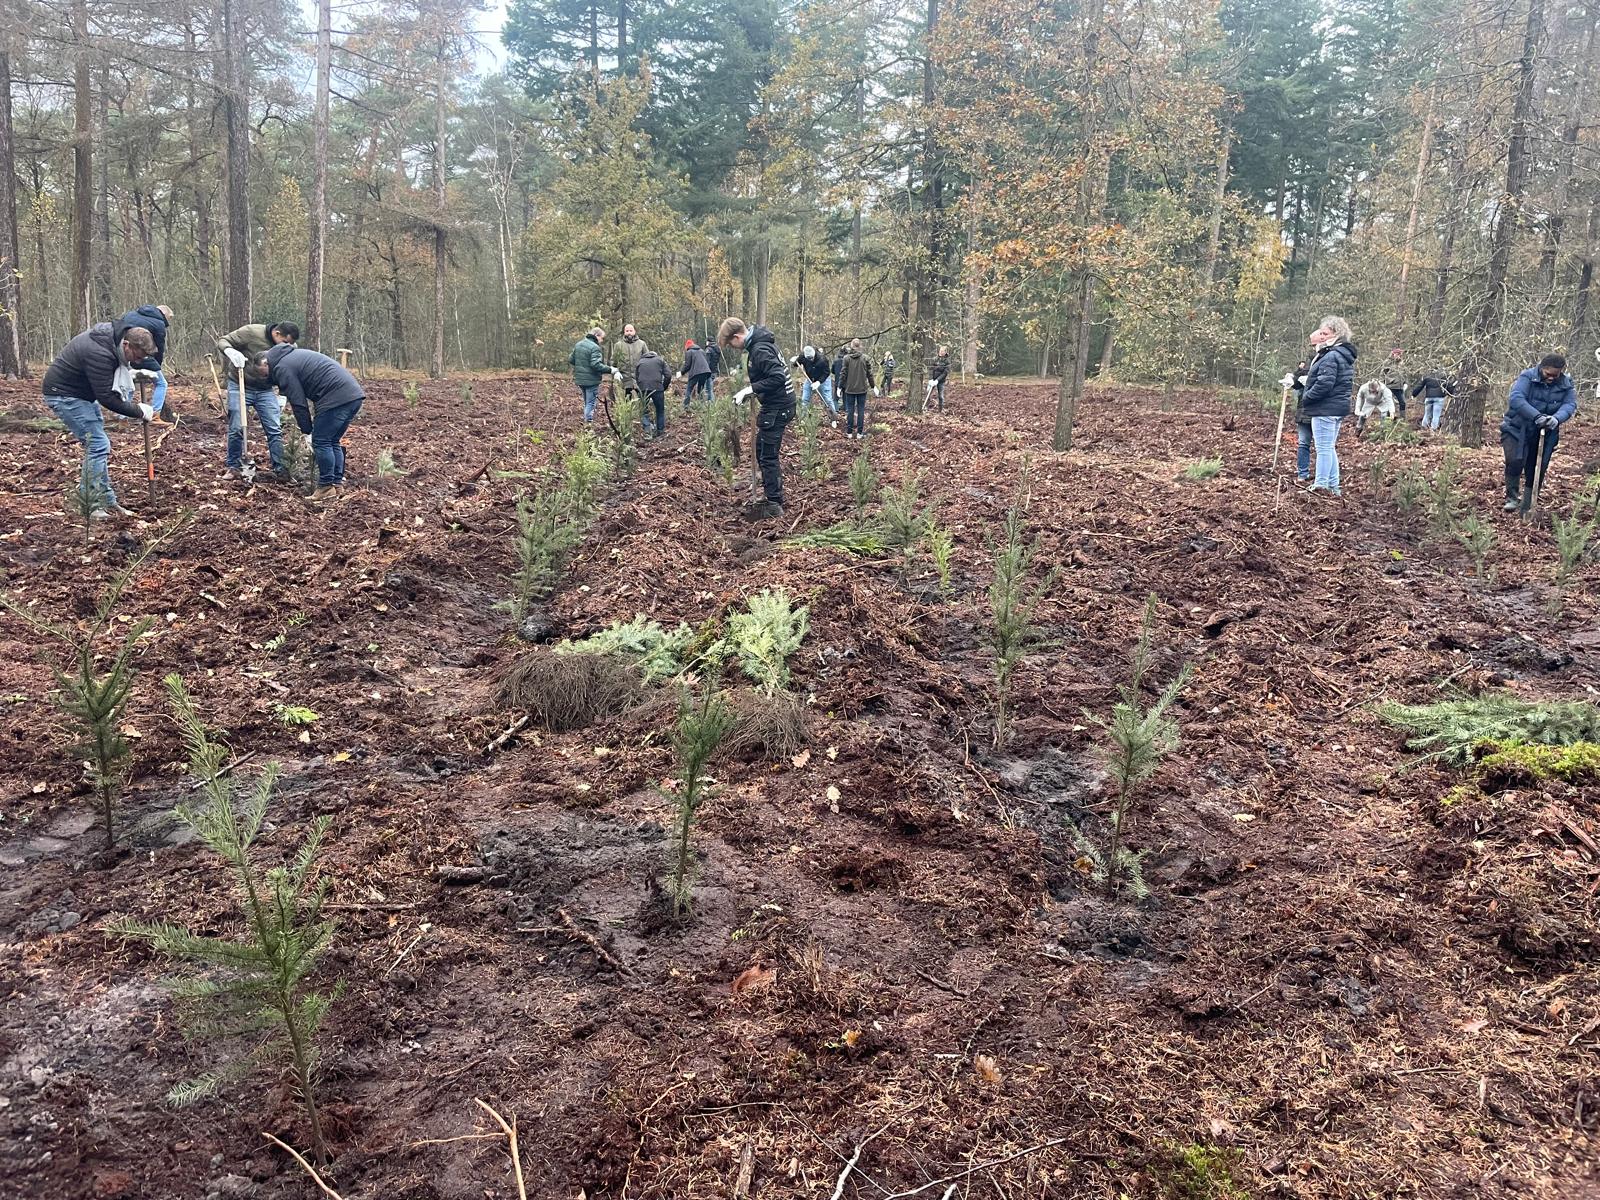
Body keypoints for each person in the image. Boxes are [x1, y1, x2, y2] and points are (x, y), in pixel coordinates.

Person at [40, 322, 158, 518]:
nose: (138, 361)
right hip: (64, 394)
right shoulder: (99, 353)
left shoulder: (114, 343)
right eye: (137, 357)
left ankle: (107, 500)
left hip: (81, 394)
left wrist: (132, 373)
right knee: (97, 444)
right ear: (126, 345)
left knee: (99, 444)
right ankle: (91, 504)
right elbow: (107, 398)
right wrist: (138, 411)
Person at [261, 343, 366, 500]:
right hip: (353, 396)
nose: (264, 377)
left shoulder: (282, 367)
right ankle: (336, 484)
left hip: (336, 398)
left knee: (321, 441)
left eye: (262, 373)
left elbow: (298, 402)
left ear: (265, 363)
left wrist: (307, 431)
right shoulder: (291, 357)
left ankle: (325, 487)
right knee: (332, 441)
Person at [719, 317, 794, 520]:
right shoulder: (760, 344)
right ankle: (772, 494)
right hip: (776, 405)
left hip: (779, 407)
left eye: (731, 344)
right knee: (761, 448)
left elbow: (777, 377)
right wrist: (752, 392)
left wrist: (751, 389)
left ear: (737, 337)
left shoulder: (760, 349)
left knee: (768, 455)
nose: (733, 348)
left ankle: (774, 503)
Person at [216, 320, 298, 481]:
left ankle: (280, 469)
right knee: (236, 427)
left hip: (265, 390)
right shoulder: (251, 332)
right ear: (277, 334)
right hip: (240, 384)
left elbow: (288, 370)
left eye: (290, 344)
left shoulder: (289, 348)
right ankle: (234, 467)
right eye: (285, 342)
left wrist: (282, 394)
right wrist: (230, 351)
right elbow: (223, 340)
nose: (288, 346)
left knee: (274, 429)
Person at [1500, 353, 1578, 513]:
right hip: (1517, 427)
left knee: (1537, 467)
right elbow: (1516, 398)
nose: (1551, 378)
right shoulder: (1527, 377)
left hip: (1547, 432)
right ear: (1542, 368)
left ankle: (1528, 504)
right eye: (1548, 374)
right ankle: (1512, 498)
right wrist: (1536, 416)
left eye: (1555, 375)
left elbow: (1569, 404)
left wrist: (1556, 418)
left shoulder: (1566, 384)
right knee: (1514, 460)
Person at [1298, 316, 1356, 498]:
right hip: (1336, 407)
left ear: (1336, 334)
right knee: (1329, 447)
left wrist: (1307, 397)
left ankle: (1321, 485)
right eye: (1321, 333)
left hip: (1325, 408)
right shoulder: (1341, 355)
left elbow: (1324, 384)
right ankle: (1333, 486)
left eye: (1325, 333)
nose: (1322, 336)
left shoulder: (1331, 356)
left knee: (1323, 448)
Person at [113, 304, 175, 429]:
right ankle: (155, 416)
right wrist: (157, 366)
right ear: (164, 315)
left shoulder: (131, 314)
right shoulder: (159, 324)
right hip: (142, 354)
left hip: (123, 352)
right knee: (161, 383)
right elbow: (158, 349)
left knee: (128, 384)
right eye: (168, 319)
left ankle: (122, 418)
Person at [569, 327, 618, 423]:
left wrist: (581, 365)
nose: (602, 340)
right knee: (591, 403)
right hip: (591, 380)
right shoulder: (595, 347)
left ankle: (586, 421)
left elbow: (571, 359)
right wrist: (610, 369)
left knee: (586, 402)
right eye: (602, 338)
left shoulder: (579, 344)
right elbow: (596, 365)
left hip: (580, 379)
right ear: (596, 335)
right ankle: (588, 423)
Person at [837, 338, 877, 440]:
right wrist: (873, 386)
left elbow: (843, 373)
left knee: (850, 410)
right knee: (861, 411)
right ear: (860, 346)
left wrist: (839, 386)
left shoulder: (846, 358)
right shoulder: (865, 358)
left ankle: (849, 432)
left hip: (850, 389)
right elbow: (869, 374)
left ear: (851, 346)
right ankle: (859, 433)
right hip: (862, 389)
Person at [635, 346, 670, 438]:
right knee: (660, 410)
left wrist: (640, 387)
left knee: (644, 410)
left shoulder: (640, 362)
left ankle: (647, 430)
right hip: (657, 387)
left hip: (643, 388)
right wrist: (664, 387)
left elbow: (636, 377)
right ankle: (660, 431)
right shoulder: (660, 360)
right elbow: (668, 375)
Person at [791, 345, 836, 415]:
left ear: (814, 354)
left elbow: (826, 373)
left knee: (828, 399)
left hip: (823, 380)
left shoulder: (822, 359)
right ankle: (804, 417)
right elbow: (797, 363)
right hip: (810, 379)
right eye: (809, 358)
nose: (811, 359)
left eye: (812, 358)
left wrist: (818, 382)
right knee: (805, 399)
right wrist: (794, 362)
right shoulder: (803, 356)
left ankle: (833, 416)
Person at [1289, 361, 1311, 483]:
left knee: (1322, 446)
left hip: (1318, 412)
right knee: (1303, 443)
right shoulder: (1303, 373)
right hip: (1303, 412)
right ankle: (1303, 473)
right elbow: (1295, 385)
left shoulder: (1323, 370)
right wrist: (1292, 376)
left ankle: (1321, 476)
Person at [617, 323, 648, 399]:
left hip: (639, 377)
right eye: (627, 331)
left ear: (634, 331)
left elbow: (648, 359)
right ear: (624, 332)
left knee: (643, 398)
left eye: (631, 330)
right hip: (625, 378)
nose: (629, 332)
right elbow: (613, 361)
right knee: (626, 400)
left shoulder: (642, 344)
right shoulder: (618, 345)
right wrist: (615, 372)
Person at [680, 339, 712, 410]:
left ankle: (686, 406)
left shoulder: (689, 352)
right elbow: (705, 362)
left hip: (696, 372)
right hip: (705, 372)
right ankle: (701, 406)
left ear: (687, 346)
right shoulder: (702, 351)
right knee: (701, 389)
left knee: (689, 389)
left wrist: (681, 372)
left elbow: (687, 365)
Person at [1379, 351, 1407, 419]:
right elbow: (1382, 374)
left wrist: (1405, 382)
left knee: (1402, 403)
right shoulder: (1388, 362)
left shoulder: (1401, 363)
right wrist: (1382, 385)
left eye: (1400, 354)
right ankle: (1388, 419)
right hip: (1390, 386)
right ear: (1393, 354)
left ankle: (1402, 419)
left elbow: (1405, 374)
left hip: (1400, 387)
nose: (1398, 356)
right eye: (1397, 354)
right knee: (1389, 403)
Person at [930, 345, 951, 410]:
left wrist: (937, 380)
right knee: (928, 394)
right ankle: (925, 407)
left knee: (941, 396)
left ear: (945, 352)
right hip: (933, 380)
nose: (940, 352)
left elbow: (945, 373)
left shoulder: (947, 361)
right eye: (940, 350)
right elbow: (931, 369)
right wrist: (931, 379)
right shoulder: (935, 359)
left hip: (941, 381)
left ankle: (940, 409)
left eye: (942, 351)